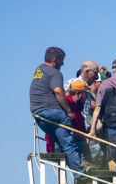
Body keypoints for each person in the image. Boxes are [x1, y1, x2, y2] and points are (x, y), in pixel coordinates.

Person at [29, 46, 83, 176]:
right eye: (61, 60)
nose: (62, 64)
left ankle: (77, 172)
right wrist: (69, 111)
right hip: (53, 112)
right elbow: (58, 91)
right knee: (70, 143)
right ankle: (81, 176)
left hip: (38, 114)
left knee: (64, 142)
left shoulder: (39, 70)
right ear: (55, 59)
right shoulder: (55, 73)